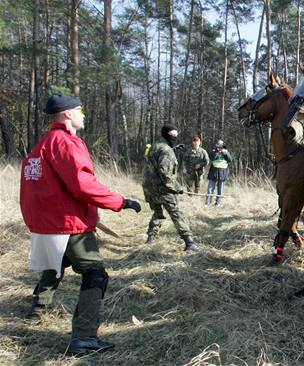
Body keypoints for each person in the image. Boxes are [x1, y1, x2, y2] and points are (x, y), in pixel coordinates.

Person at [20, 94, 142, 355]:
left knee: (57, 262)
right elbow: (82, 184)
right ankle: (84, 337)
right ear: (67, 115)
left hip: (48, 223)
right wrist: (120, 201)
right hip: (67, 223)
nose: (83, 115)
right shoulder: (65, 143)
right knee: (95, 273)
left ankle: (38, 309)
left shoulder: (42, 144)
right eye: (79, 110)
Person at [143, 124, 199, 251]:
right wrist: (177, 188)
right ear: (167, 135)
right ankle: (189, 243)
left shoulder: (154, 146)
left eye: (176, 135)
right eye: (172, 135)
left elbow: (156, 164)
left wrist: (172, 150)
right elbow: (165, 174)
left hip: (149, 188)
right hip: (162, 188)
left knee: (158, 213)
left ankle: (150, 239)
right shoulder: (166, 150)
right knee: (176, 214)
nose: (175, 137)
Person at [206, 139, 232, 207]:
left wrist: (225, 153)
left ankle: (218, 203)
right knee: (210, 188)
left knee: (220, 189)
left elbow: (230, 160)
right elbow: (212, 158)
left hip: (222, 172)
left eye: (221, 144)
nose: (219, 145)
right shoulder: (213, 151)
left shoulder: (226, 151)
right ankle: (208, 203)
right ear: (216, 144)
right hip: (213, 171)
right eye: (218, 144)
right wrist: (218, 152)